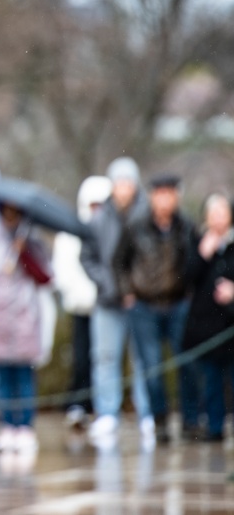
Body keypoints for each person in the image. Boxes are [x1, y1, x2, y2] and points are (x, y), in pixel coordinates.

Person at [113, 173, 198, 441]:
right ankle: (159, 420)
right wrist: (127, 292)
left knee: (187, 363)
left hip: (178, 303)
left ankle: (190, 420)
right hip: (144, 305)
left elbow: (195, 263)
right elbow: (119, 262)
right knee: (151, 367)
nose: (165, 200)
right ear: (152, 196)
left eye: (170, 194)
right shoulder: (136, 226)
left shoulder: (186, 227)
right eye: (160, 194)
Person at [81, 157, 154, 450]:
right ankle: (107, 413)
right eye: (119, 181)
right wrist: (107, 283)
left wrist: (139, 287)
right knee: (105, 357)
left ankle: (146, 412)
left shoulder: (147, 215)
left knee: (143, 360)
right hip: (108, 301)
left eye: (128, 181)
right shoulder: (99, 218)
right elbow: (88, 257)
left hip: (141, 301)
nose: (124, 188)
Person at [0, 203, 51, 455]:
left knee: (24, 374)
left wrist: (24, 254)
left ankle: (26, 425)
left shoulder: (31, 241)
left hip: (24, 316)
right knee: (5, 374)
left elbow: (45, 276)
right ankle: (8, 424)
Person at [52, 175, 113, 431]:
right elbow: (64, 271)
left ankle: (104, 407)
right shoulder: (69, 233)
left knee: (105, 359)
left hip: (107, 306)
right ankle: (79, 403)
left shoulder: (112, 231)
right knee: (81, 357)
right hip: (81, 307)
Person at [184, 193, 234, 442]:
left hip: (230, 324)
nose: (217, 218)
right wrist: (203, 254)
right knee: (211, 382)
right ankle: (214, 427)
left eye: (222, 212)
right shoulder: (197, 241)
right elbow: (186, 278)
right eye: (212, 213)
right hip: (206, 325)